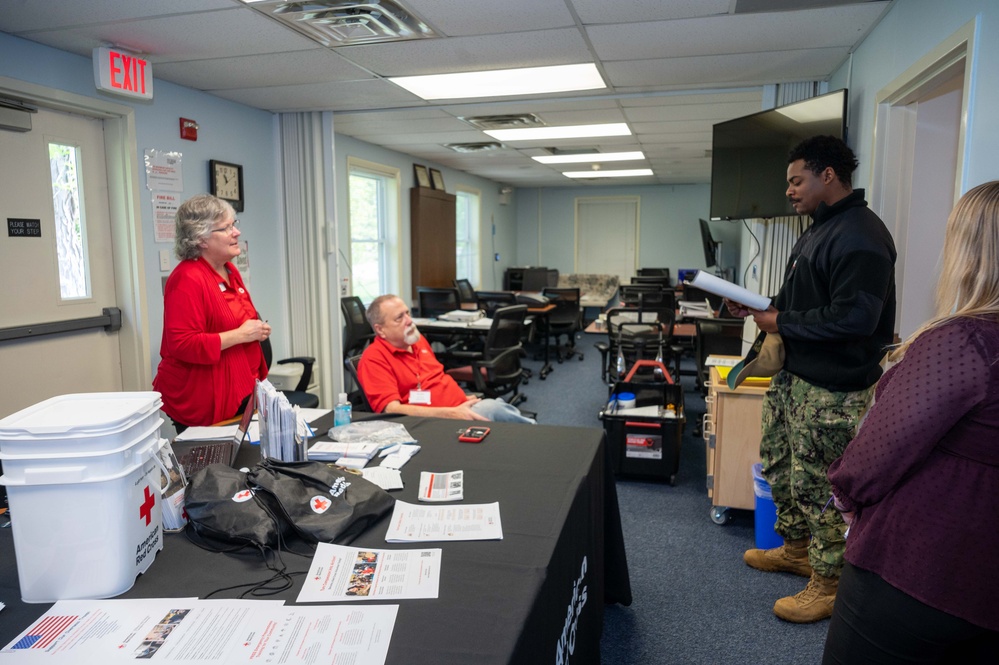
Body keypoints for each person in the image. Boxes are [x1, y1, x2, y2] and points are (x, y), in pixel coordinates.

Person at [823, 181, 999, 663]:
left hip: (922, 568)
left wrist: (844, 496)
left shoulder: (964, 342)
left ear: (971, 251)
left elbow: (880, 449)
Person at [725, 135, 897, 623]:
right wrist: (761, 308)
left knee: (822, 486)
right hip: (796, 379)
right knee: (783, 470)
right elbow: (800, 300)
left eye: (795, 180)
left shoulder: (861, 235)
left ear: (827, 176)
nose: (788, 190)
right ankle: (797, 550)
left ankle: (828, 582)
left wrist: (780, 322)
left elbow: (855, 320)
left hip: (833, 391)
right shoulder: (818, 229)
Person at [153, 194, 271, 431]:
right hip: (203, 400)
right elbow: (182, 343)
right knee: (214, 468)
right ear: (201, 239)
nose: (236, 233)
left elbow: (239, 319)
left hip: (242, 390)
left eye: (233, 225)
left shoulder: (228, 270)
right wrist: (241, 334)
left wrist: (256, 330)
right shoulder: (187, 278)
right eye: (226, 228)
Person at [357, 294, 535, 423]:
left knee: (497, 408)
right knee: (495, 410)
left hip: (458, 407)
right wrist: (451, 413)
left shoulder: (416, 340)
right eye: (399, 318)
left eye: (407, 313)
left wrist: (460, 397)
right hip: (434, 422)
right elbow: (391, 409)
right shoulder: (374, 358)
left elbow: (434, 380)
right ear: (380, 330)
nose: (409, 321)